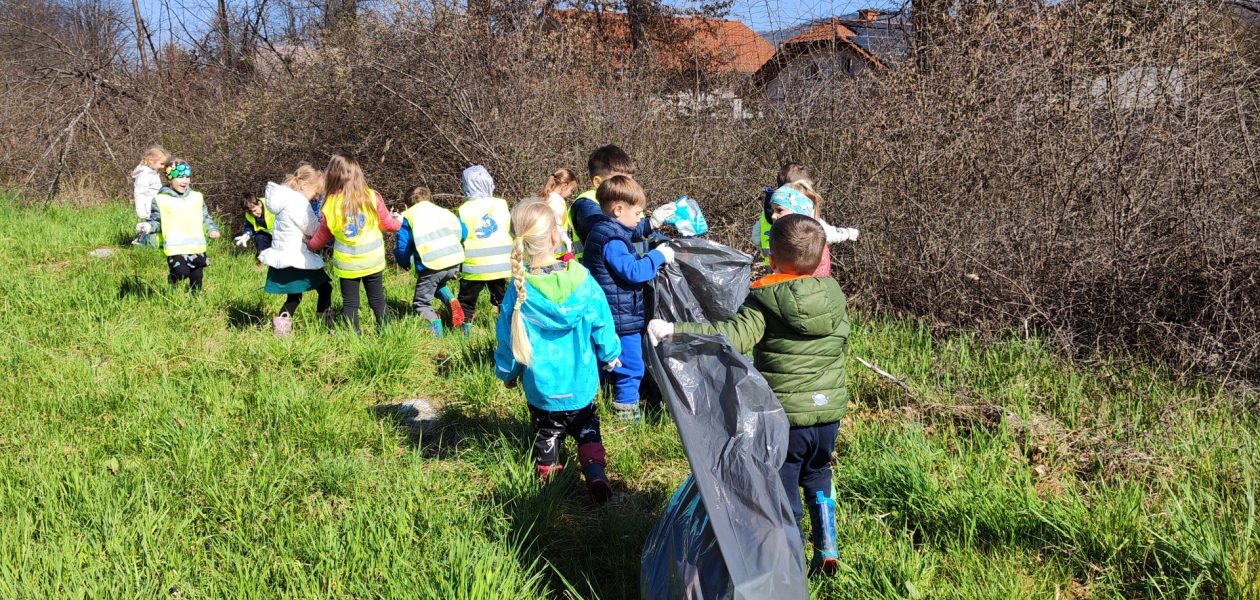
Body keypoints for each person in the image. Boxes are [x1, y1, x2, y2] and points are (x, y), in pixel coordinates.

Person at [648, 214, 850, 576]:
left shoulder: (766, 299)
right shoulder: (834, 296)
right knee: (818, 473)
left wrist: (676, 330)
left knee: (783, 488)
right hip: (829, 414)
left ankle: (792, 560)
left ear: (773, 257)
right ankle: (827, 545)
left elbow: (731, 337)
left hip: (789, 418)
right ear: (821, 257)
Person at [493, 200, 621, 503]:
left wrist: (507, 373)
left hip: (542, 386)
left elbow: (509, 338)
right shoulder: (581, 278)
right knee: (587, 427)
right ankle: (594, 472)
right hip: (581, 382)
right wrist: (610, 353)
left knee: (546, 432)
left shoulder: (520, 287)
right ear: (555, 236)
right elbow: (602, 319)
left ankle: (549, 481)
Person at [580, 175, 675, 422]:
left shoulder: (605, 228)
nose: (640, 218)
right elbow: (634, 272)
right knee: (632, 366)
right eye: (639, 213)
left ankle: (598, 404)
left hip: (610, 313)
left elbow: (629, 231)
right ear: (618, 209)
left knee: (607, 364)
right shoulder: (612, 240)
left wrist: (652, 224)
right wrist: (658, 257)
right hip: (621, 319)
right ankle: (626, 413)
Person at [306, 155, 401, 333]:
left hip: (347, 264)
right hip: (373, 261)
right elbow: (387, 224)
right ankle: (387, 333)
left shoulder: (330, 204)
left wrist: (311, 246)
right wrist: (401, 223)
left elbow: (323, 234)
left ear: (332, 176)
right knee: (378, 300)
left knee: (350, 304)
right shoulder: (372, 197)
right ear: (358, 174)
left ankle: (353, 337)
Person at [259, 163, 333, 336]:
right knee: (325, 289)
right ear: (304, 185)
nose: (315, 198)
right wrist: (324, 222)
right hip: (296, 257)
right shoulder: (298, 202)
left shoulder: (286, 199)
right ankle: (325, 326)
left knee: (295, 296)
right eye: (316, 193)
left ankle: (282, 330)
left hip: (286, 255)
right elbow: (312, 228)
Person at [568, 144, 674, 260]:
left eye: (630, 180)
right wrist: (650, 224)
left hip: (635, 270)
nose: (629, 186)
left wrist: (672, 244)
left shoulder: (627, 201)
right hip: (602, 276)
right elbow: (612, 233)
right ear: (598, 182)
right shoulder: (586, 205)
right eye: (621, 180)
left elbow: (643, 237)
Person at [752, 163, 859, 276]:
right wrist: (848, 233)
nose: (774, 215)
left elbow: (756, 236)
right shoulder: (809, 219)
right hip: (811, 277)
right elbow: (829, 234)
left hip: (777, 269)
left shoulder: (768, 213)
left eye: (779, 211)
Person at [136, 159, 221, 293]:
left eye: (187, 176)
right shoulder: (160, 199)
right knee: (181, 272)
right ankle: (173, 279)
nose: (185, 180)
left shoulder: (197, 197)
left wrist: (212, 229)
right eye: (180, 177)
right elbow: (157, 221)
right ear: (170, 178)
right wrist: (148, 227)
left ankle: (196, 300)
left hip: (196, 247)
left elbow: (205, 218)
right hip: (175, 248)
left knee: (197, 276)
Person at [395, 185, 466, 338]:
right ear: (429, 199)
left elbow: (402, 246)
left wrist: (403, 262)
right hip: (454, 263)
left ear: (406, 205)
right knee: (437, 283)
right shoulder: (444, 212)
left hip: (432, 264)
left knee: (421, 303)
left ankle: (436, 336)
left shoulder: (409, 216)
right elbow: (463, 231)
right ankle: (451, 300)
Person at [455, 165, 512, 335]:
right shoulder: (502, 204)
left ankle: (464, 334)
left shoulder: (464, 209)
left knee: (467, 301)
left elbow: (460, 235)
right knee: (502, 299)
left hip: (474, 266)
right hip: (501, 264)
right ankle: (507, 329)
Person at [131, 145, 169, 246]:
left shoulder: (152, 173)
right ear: (151, 160)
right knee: (150, 225)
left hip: (155, 205)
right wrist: (142, 211)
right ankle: (141, 241)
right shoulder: (144, 174)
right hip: (148, 206)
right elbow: (139, 193)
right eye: (161, 164)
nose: (162, 167)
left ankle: (142, 240)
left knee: (152, 224)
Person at [541, 167, 577, 259]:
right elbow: (556, 225)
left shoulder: (547, 198)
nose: (570, 194)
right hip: (556, 252)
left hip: (545, 249)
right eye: (571, 190)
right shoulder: (557, 202)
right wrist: (567, 241)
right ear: (564, 187)